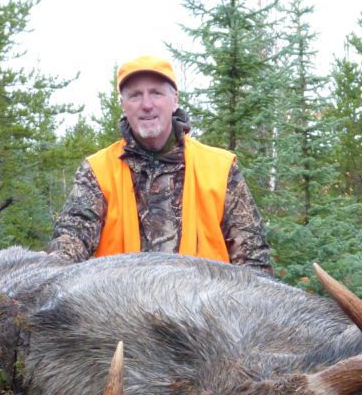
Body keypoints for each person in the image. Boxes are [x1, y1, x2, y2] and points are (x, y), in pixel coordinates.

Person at [46, 55, 273, 275]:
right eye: (135, 95)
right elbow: (70, 241)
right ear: (123, 105)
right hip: (121, 309)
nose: (147, 104)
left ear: (174, 100)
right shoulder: (98, 171)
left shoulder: (220, 168)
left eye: (156, 93)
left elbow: (253, 260)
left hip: (206, 311)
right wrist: (51, 268)